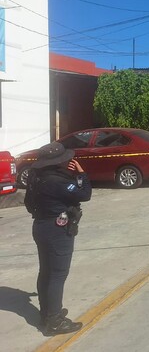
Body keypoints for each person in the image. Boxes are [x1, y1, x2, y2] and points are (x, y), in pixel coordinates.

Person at [24, 142, 92, 336]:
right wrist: (81, 174)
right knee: (58, 274)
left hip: (40, 226)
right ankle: (54, 321)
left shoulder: (35, 177)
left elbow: (29, 203)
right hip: (57, 230)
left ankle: (47, 312)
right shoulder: (58, 181)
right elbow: (85, 194)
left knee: (46, 271)